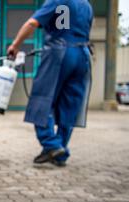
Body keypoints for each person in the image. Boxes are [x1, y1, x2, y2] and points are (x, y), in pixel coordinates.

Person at [7, 0, 93, 167]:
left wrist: (15, 45)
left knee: (41, 98)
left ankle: (51, 144)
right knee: (69, 105)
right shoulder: (86, 5)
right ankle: (59, 150)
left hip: (59, 52)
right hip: (82, 55)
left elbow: (33, 22)